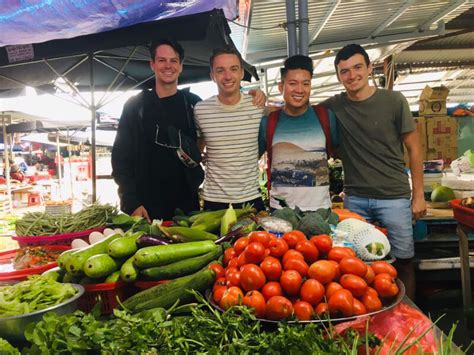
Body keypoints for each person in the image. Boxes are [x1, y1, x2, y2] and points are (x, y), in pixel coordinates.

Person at [322, 43, 427, 300]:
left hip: (394, 197)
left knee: (402, 260)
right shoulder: (333, 106)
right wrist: (260, 100)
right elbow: (296, 108)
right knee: (356, 266)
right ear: (338, 76)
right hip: (355, 199)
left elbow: (414, 148)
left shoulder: (393, 101)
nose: (352, 75)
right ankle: (370, 319)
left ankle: (406, 313)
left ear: (370, 68)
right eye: (344, 71)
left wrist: (419, 195)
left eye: (358, 67)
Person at [112, 38, 203, 221]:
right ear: (152, 64)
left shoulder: (193, 103)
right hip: (146, 206)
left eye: (173, 60)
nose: (168, 66)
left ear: (181, 65)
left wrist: (255, 95)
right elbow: (120, 159)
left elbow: (218, 123)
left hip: (186, 205)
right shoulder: (135, 106)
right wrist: (132, 202)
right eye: (162, 60)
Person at [258, 55, 338, 211]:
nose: (299, 90)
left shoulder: (325, 117)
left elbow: (336, 150)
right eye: (292, 83)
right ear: (282, 87)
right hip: (281, 211)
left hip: (321, 210)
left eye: (305, 83)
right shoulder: (268, 123)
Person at [194, 46, 266, 211]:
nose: (227, 76)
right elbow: (199, 145)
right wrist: (201, 155)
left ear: (242, 73)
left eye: (233, 69)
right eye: (220, 70)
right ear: (213, 76)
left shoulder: (257, 106)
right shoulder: (200, 109)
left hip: (251, 199)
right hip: (214, 201)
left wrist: (260, 93)